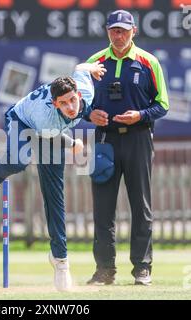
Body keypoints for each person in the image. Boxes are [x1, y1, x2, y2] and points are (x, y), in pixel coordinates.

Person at [0, 62, 106, 291]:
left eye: (73, 100)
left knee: (55, 196)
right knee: (18, 161)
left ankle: (60, 260)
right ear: (55, 103)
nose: (71, 107)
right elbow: (50, 137)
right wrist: (74, 143)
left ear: (79, 94)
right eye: (63, 103)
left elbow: (80, 69)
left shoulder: (86, 91)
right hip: (23, 120)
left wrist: (91, 67)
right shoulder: (48, 117)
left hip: (52, 131)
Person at [86, 10, 169, 286]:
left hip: (138, 138)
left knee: (140, 204)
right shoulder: (94, 62)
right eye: (113, 30)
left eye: (123, 30)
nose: (118, 35)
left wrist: (140, 115)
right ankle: (104, 270)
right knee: (102, 206)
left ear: (134, 30)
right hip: (104, 140)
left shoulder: (149, 62)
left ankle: (142, 268)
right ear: (107, 31)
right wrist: (88, 115)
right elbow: (77, 102)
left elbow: (163, 104)